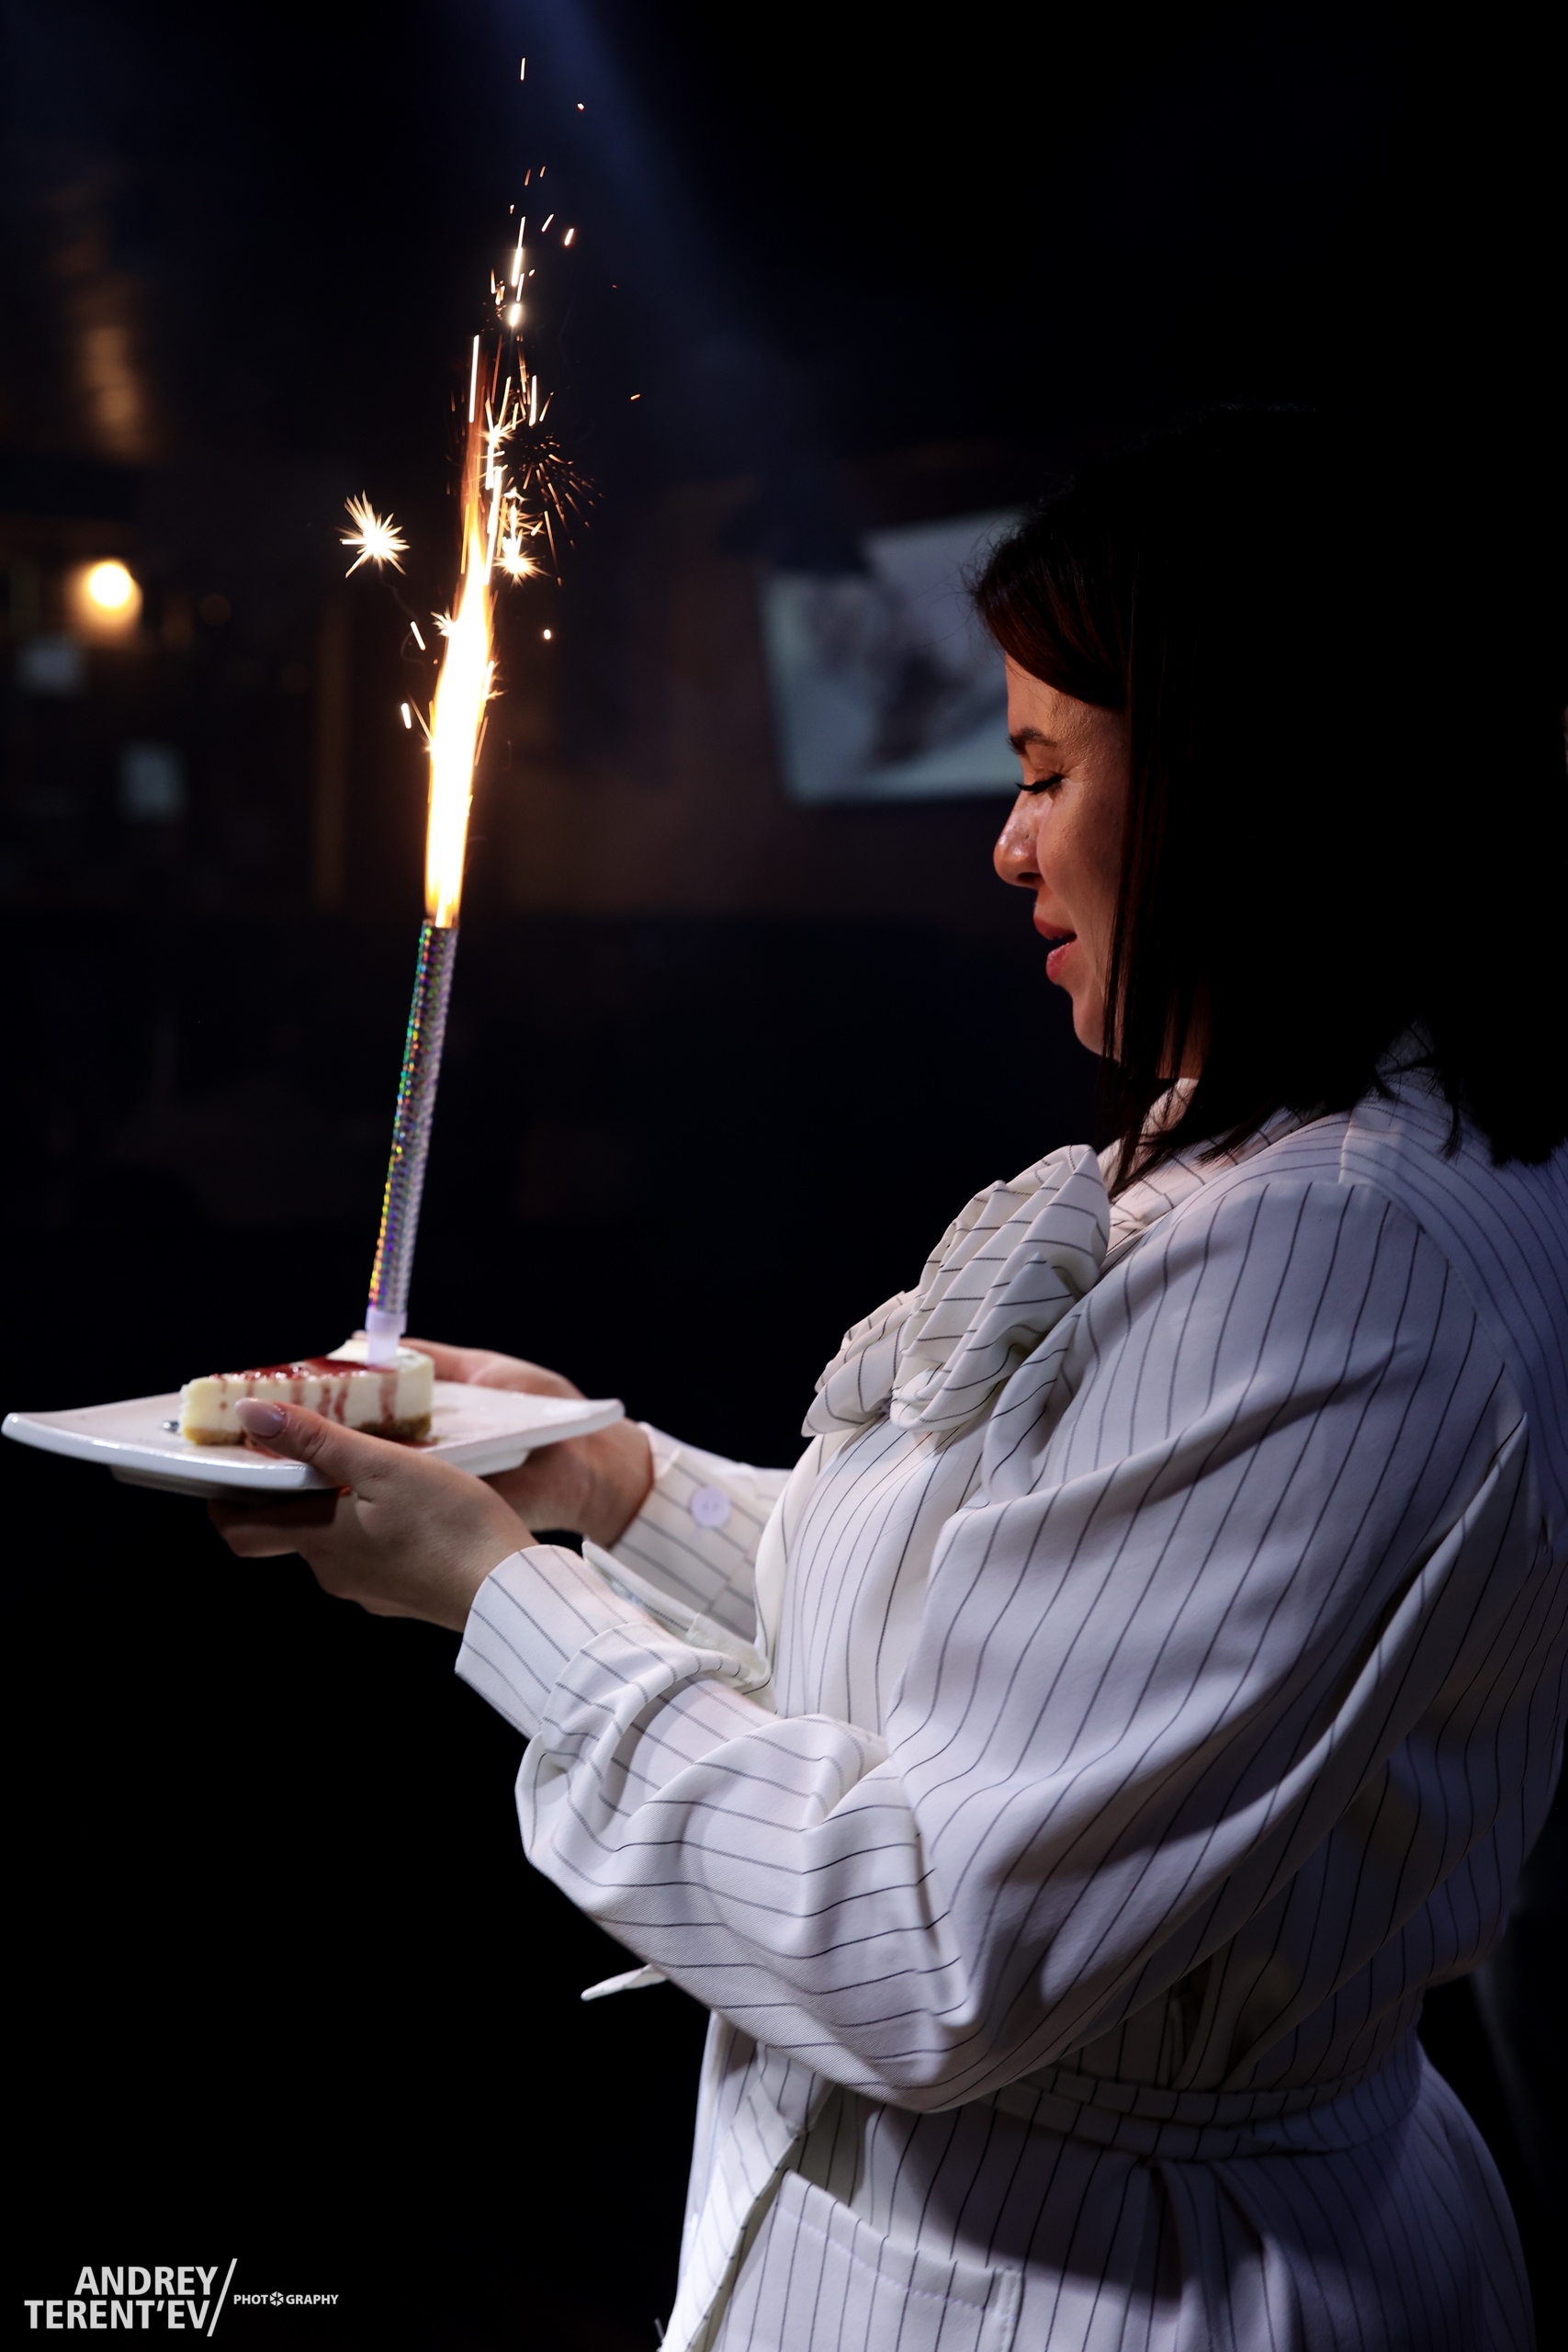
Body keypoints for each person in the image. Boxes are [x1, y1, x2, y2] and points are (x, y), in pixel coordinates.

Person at [215, 410, 1568, 2352]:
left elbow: (926, 1942)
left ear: (1239, 783)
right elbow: (1014, 1615)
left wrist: (491, 1594)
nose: (1006, 843)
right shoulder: (1267, 1163)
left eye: (1044, 771)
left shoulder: (1338, 1257)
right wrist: (599, 1479)